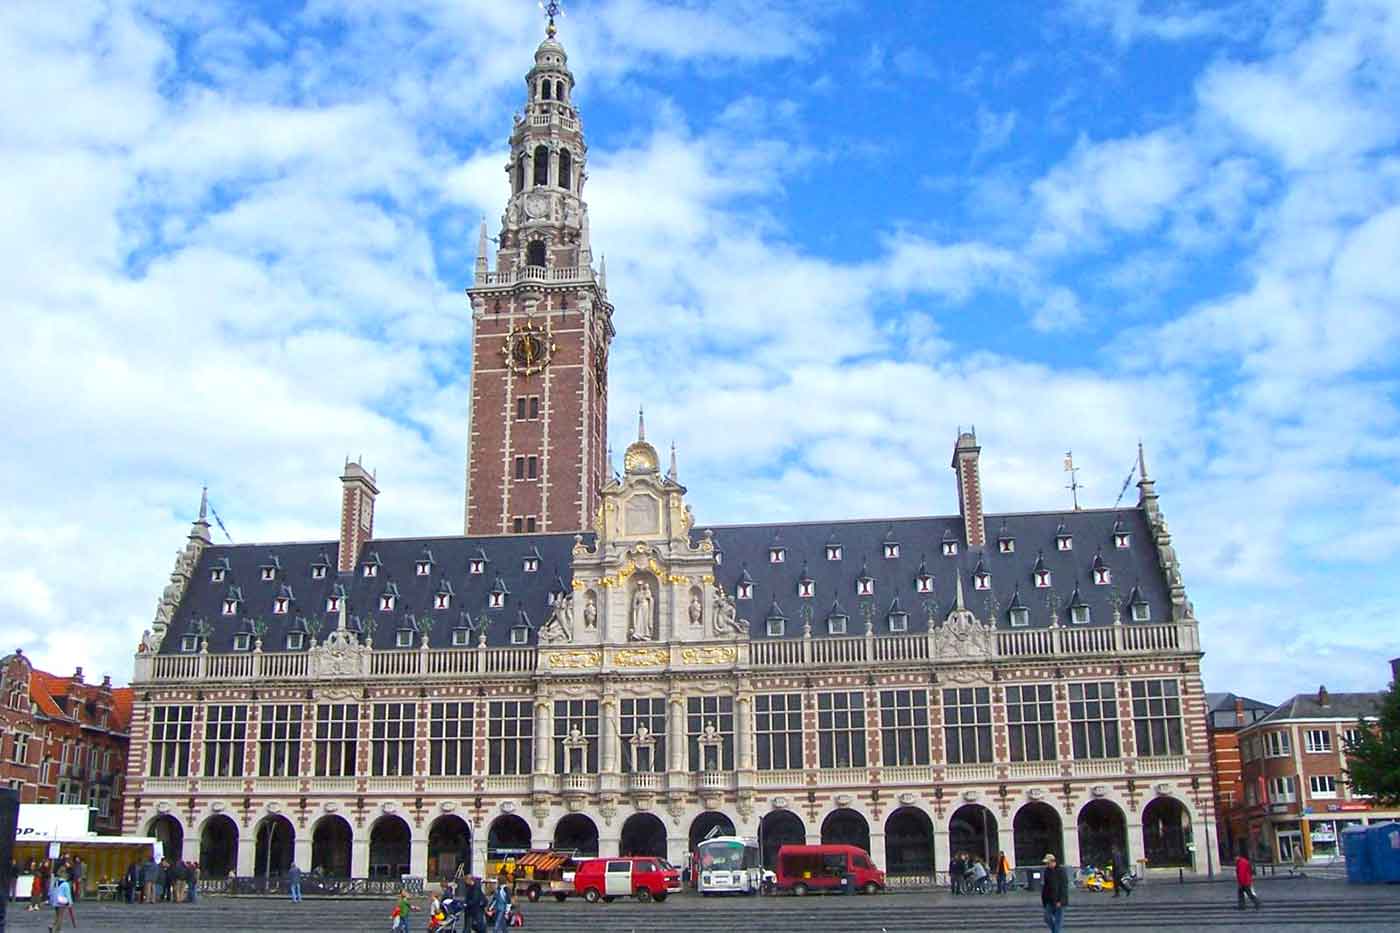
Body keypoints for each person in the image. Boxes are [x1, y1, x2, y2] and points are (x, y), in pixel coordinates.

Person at [1041, 853, 1068, 933]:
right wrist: (1044, 900)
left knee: (1058, 922)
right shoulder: (1047, 871)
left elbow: (1063, 887)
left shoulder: (1061, 871)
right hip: (1049, 900)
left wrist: (1061, 900)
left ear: (1053, 862)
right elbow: (1046, 887)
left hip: (1059, 901)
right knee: (1047, 918)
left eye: (1048, 863)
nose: (1046, 865)